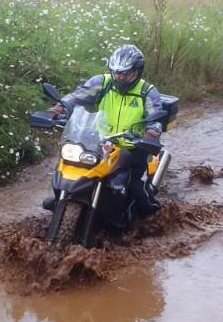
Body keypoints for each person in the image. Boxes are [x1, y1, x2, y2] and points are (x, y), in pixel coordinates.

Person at [48, 44, 163, 219]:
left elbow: (155, 117)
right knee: (67, 168)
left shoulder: (147, 92)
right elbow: (78, 96)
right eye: (117, 72)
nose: (120, 77)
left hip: (131, 146)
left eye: (126, 73)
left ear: (138, 71)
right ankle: (62, 200)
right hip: (99, 142)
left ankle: (153, 217)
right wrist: (62, 106)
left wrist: (152, 132)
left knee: (138, 190)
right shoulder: (102, 82)